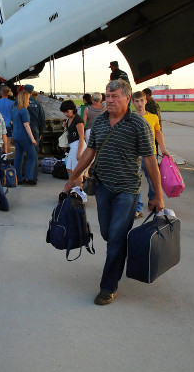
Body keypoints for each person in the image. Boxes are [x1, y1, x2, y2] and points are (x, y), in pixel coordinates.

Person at [64, 79, 164, 306]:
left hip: (127, 190)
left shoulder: (139, 125)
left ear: (127, 98)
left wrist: (157, 194)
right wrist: (73, 178)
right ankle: (119, 257)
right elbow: (90, 151)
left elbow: (149, 160)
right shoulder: (99, 123)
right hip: (102, 187)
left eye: (114, 96)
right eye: (107, 96)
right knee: (109, 234)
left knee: (116, 238)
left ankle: (108, 287)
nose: (109, 100)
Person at [132, 91, 170, 217]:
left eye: (141, 100)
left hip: (150, 154)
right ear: (132, 102)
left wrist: (163, 149)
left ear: (146, 101)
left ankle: (153, 202)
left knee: (154, 180)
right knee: (135, 183)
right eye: (136, 101)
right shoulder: (130, 118)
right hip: (135, 155)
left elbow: (158, 133)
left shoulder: (153, 117)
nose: (139, 104)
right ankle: (137, 208)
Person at [11, 91, 37, 185]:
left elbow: (12, 122)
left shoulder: (14, 109)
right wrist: (33, 139)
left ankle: (17, 178)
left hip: (16, 136)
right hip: (24, 137)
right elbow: (26, 125)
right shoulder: (24, 110)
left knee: (18, 158)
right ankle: (28, 177)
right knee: (32, 157)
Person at [24, 84, 45, 181]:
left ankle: (21, 175)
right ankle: (33, 177)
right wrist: (41, 133)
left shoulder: (20, 102)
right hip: (35, 131)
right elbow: (42, 119)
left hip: (23, 132)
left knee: (22, 154)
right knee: (34, 155)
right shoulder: (37, 103)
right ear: (32, 92)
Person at [60, 100, 86, 179]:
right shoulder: (69, 119)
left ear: (73, 109)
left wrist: (79, 152)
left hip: (77, 145)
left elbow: (82, 137)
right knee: (69, 168)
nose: (65, 114)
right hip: (73, 146)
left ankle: (79, 188)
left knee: (75, 171)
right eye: (64, 112)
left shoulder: (78, 120)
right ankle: (75, 186)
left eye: (67, 112)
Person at [0, 86, 15, 154]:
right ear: (8, 93)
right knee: (7, 143)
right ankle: (6, 158)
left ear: (1, 93)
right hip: (8, 125)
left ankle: (0, 159)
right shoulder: (12, 103)